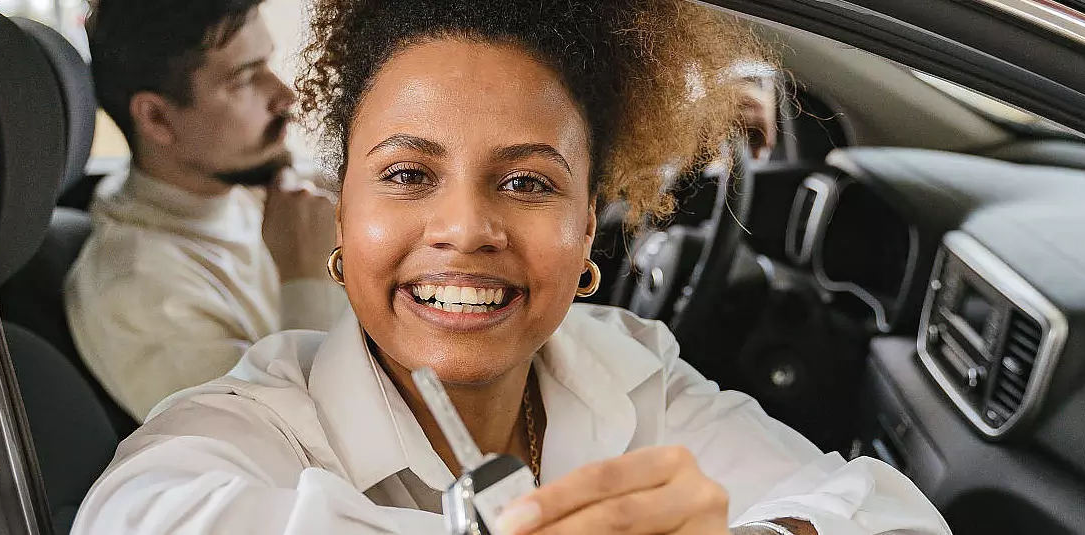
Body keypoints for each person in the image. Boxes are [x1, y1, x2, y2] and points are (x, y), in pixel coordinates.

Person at [72, 0, 952, 533]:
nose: (464, 226)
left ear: (585, 232)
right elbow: (144, 514)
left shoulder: (626, 369)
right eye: (408, 175)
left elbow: (894, 515)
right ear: (343, 210)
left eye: (527, 181)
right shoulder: (239, 426)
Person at [67, 0, 348, 418]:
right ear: (157, 118)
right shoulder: (137, 295)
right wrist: (307, 279)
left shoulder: (249, 183)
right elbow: (289, 445)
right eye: (244, 79)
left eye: (267, 63)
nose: (285, 96)